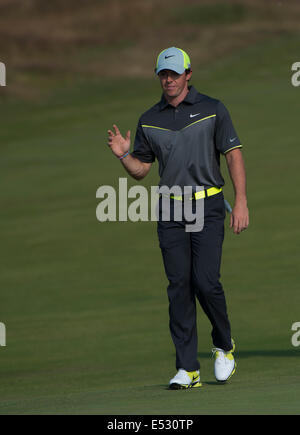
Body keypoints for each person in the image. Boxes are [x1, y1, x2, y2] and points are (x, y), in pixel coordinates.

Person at [107, 47, 249, 389]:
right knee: (178, 287)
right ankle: (188, 368)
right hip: (171, 209)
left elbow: (233, 155)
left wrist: (241, 200)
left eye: (174, 74)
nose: (168, 79)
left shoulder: (213, 109)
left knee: (205, 281)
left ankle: (224, 345)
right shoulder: (149, 119)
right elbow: (141, 170)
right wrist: (125, 154)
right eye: (163, 74)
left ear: (188, 75)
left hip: (208, 205)